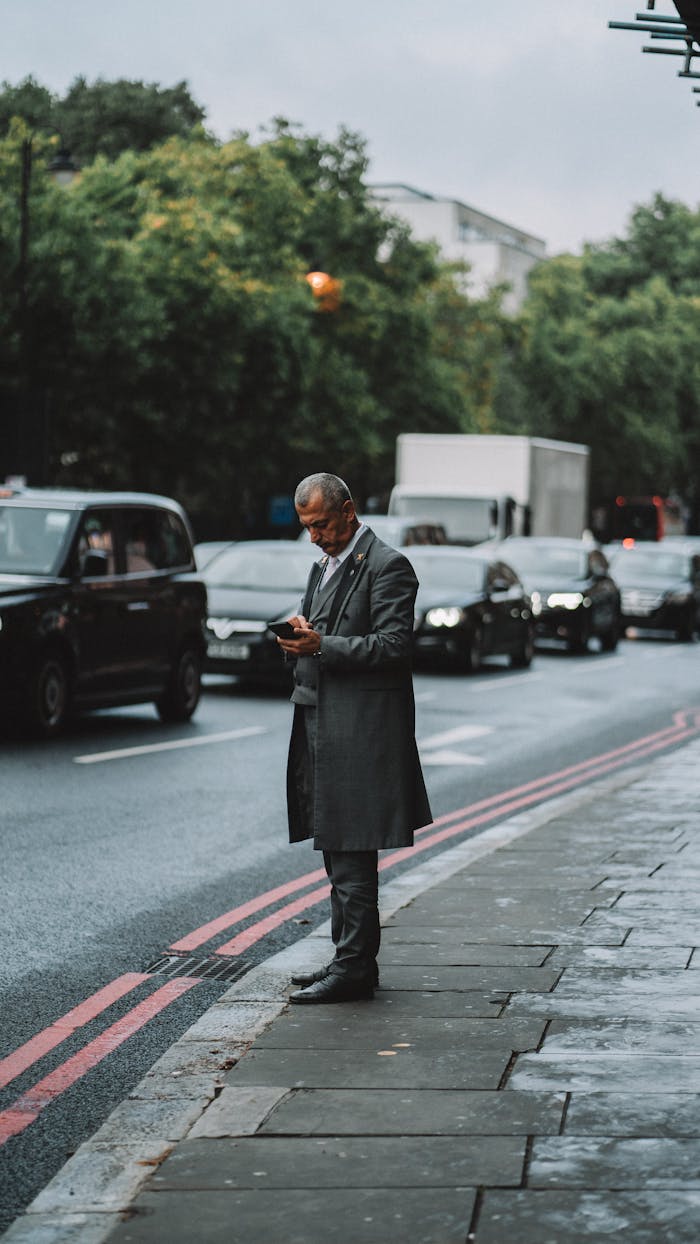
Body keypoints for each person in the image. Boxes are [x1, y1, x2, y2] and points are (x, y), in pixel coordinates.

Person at [277, 472, 432, 1004]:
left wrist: (322, 647)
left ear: (349, 510)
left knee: (352, 855)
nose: (313, 536)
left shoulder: (389, 566)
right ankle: (348, 959)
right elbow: (326, 634)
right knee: (336, 852)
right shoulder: (323, 565)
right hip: (323, 723)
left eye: (320, 524)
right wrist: (302, 637)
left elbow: (394, 647)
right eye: (306, 527)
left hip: (362, 732)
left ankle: (355, 971)